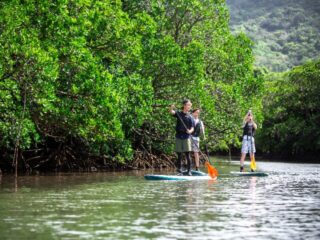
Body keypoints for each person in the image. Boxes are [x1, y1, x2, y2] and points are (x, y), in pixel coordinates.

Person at [169, 99, 195, 175]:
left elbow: (192, 127)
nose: (189, 106)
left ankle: (189, 170)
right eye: (188, 105)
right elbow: (171, 112)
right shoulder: (179, 113)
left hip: (186, 137)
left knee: (187, 154)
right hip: (178, 136)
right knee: (179, 154)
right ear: (184, 105)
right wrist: (171, 108)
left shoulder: (190, 116)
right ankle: (179, 169)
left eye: (190, 105)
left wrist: (190, 131)